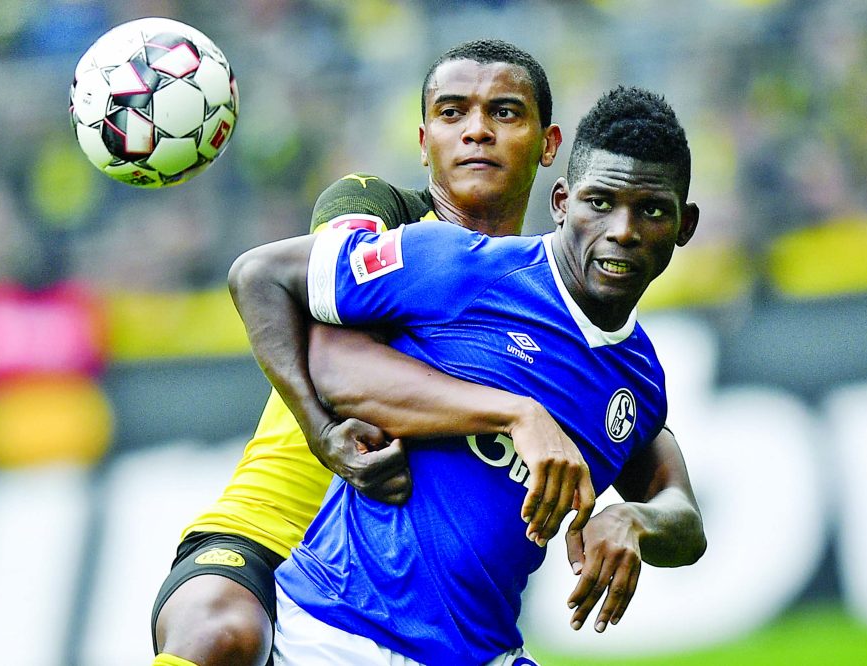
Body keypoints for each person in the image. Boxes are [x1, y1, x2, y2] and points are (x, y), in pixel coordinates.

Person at [150, 39, 594, 666]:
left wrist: (631, 518)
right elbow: (278, 294)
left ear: (549, 145)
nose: (476, 131)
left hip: (401, 602)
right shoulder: (377, 213)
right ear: (422, 141)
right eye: (451, 113)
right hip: (266, 530)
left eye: (504, 112)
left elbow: (651, 452)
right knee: (219, 639)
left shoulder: (546, 298)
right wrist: (321, 432)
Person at [229, 85, 707, 665]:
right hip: (340, 632)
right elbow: (259, 276)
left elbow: (683, 516)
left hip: (482, 651)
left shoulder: (639, 380)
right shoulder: (458, 264)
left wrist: (636, 519)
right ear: (562, 202)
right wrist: (513, 412)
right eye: (600, 202)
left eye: (652, 209)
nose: (624, 230)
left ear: (685, 224)